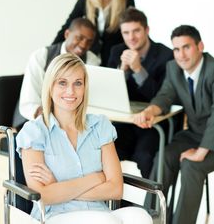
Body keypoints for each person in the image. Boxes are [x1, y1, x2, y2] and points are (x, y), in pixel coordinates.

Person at [16, 53, 153, 224]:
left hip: (100, 212)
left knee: (141, 217)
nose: (70, 91)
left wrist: (58, 186)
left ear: (85, 87)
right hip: (55, 215)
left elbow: (116, 189)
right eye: (62, 83)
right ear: (50, 87)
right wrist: (96, 178)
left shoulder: (100, 126)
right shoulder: (34, 132)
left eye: (78, 83)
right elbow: (43, 195)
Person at [133, 25, 214, 224]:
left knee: (191, 166)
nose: (181, 55)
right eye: (176, 49)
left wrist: (201, 151)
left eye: (186, 47)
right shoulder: (174, 68)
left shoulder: (212, 70)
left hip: (210, 140)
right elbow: (165, 96)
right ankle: (151, 218)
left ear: (200, 46)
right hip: (195, 134)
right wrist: (150, 111)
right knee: (164, 157)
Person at [108, 7, 174, 178]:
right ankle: (115, 202)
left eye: (136, 31)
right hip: (124, 121)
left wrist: (138, 69)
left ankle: (142, 204)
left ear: (147, 30)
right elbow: (109, 95)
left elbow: (162, 96)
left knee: (144, 157)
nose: (131, 37)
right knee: (109, 151)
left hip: (152, 123)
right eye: (126, 32)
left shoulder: (165, 55)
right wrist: (122, 70)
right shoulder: (116, 51)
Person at [52, 0, 135, 66]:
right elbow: (68, 26)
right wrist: (52, 51)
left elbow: (132, 29)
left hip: (115, 58)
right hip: (89, 56)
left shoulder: (127, 1)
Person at [18, 18, 100, 122]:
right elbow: (30, 103)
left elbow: (91, 98)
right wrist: (54, 121)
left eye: (89, 42)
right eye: (79, 38)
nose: (83, 45)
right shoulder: (41, 56)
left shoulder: (92, 60)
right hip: (36, 119)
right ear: (66, 34)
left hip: (74, 121)